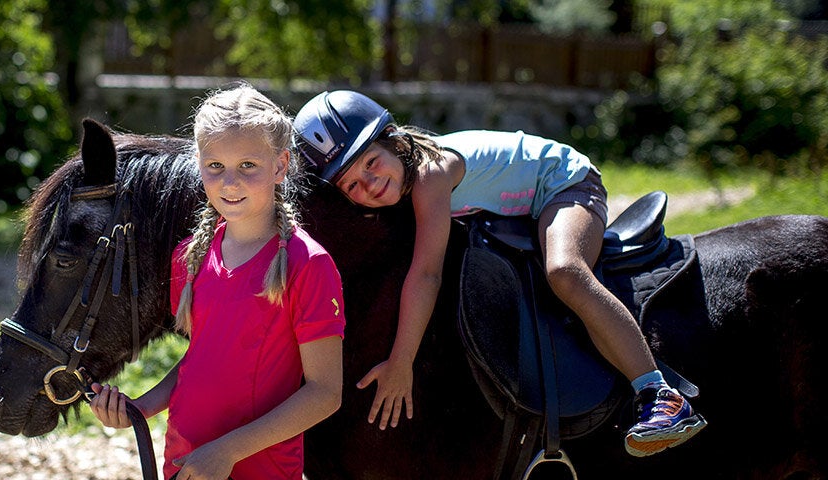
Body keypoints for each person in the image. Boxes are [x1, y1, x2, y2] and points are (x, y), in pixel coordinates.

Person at [292, 89, 706, 457]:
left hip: (565, 185)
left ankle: (657, 393)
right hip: (516, 206)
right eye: (350, 185)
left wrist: (401, 362)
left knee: (564, 271)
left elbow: (426, 276)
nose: (368, 184)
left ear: (395, 142)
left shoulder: (429, 175)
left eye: (370, 163)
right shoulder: (401, 178)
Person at [90, 83, 345, 480]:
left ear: (280, 166)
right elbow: (202, 358)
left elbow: (325, 393)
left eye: (248, 166)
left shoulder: (308, 264)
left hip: (260, 470)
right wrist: (141, 408)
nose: (229, 182)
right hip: (186, 463)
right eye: (215, 167)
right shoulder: (191, 255)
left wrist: (226, 451)